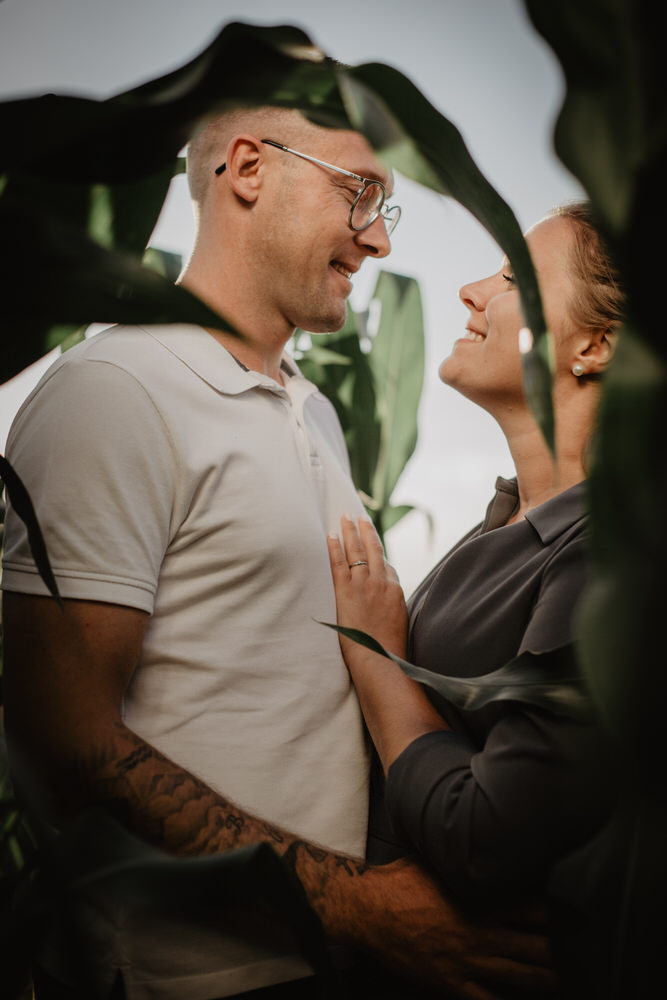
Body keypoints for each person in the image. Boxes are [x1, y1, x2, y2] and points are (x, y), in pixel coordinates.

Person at [1, 105, 553, 1000]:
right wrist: (363, 908)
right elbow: (63, 742)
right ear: (249, 170)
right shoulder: (116, 390)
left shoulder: (314, 412)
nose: (376, 239)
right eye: (359, 193)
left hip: (325, 965)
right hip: (181, 980)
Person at [327, 202, 623, 920]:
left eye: (512, 275)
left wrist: (374, 656)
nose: (468, 290)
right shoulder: (504, 525)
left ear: (594, 347)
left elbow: (485, 836)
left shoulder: (607, 556)